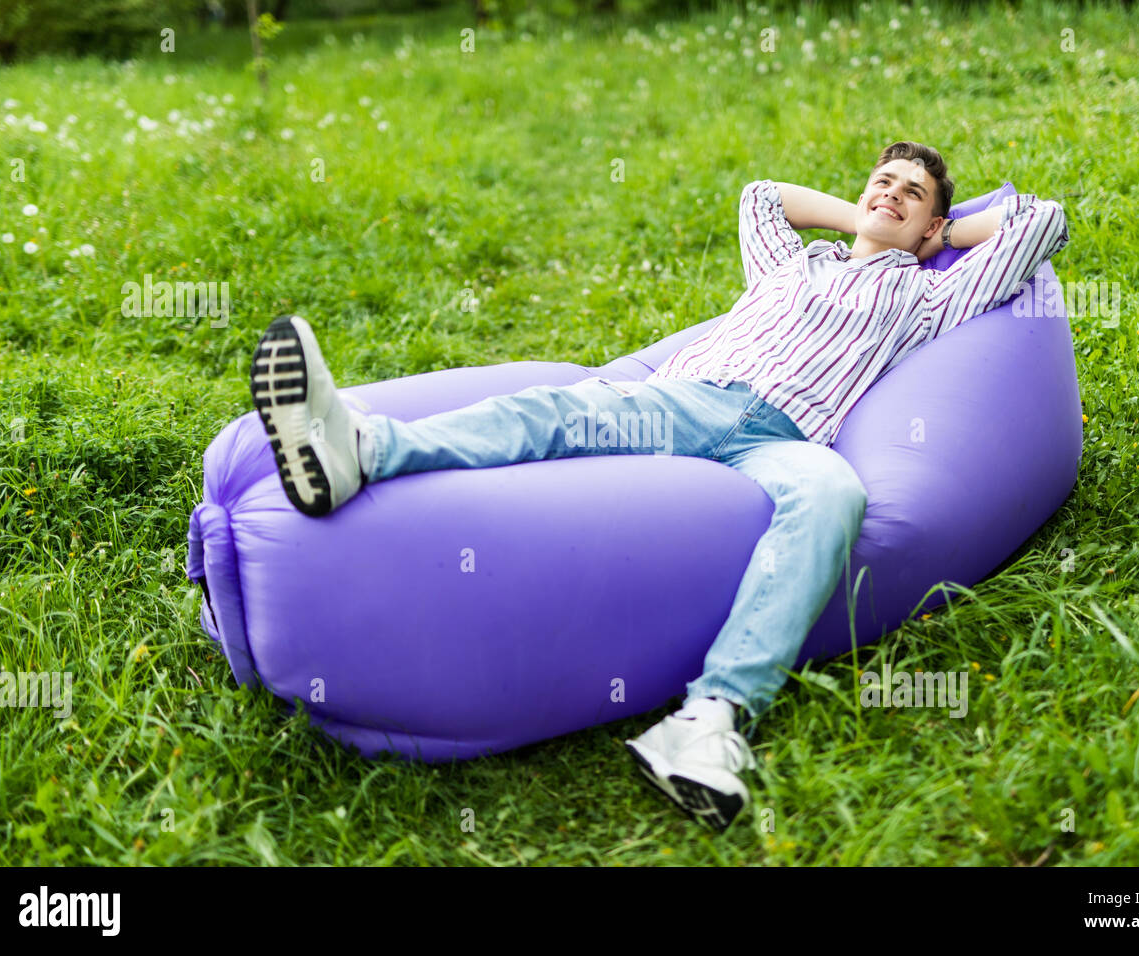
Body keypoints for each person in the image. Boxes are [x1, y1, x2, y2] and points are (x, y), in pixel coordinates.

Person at [248, 141, 1069, 831]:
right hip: (686, 403)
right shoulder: (790, 265)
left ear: (932, 224)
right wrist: (869, 216)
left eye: (910, 192)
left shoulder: (928, 295)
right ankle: (364, 445)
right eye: (879, 181)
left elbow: (1042, 222)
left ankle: (710, 721)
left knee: (835, 497)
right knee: (552, 415)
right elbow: (760, 196)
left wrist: (937, 236)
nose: (889, 193)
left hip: (785, 437)